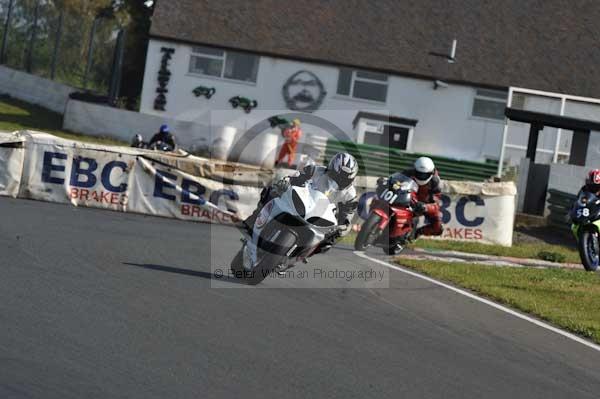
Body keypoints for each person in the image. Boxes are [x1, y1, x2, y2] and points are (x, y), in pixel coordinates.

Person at [243, 152, 359, 252]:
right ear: (330, 168)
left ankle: (300, 255)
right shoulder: (315, 170)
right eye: (336, 176)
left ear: (351, 180)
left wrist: (341, 228)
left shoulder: (350, 195)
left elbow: (347, 218)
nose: (338, 181)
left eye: (344, 180)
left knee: (328, 242)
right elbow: (294, 178)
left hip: (322, 217)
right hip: (301, 202)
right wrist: (286, 183)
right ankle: (254, 221)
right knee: (272, 191)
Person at [402, 156, 444, 237]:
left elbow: (436, 203)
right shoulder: (408, 172)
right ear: (415, 170)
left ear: (431, 173)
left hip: (422, 204)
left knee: (438, 228)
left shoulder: (435, 182)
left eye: (425, 175)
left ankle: (418, 233)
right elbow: (395, 179)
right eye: (419, 173)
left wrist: (426, 207)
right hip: (406, 197)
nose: (421, 176)